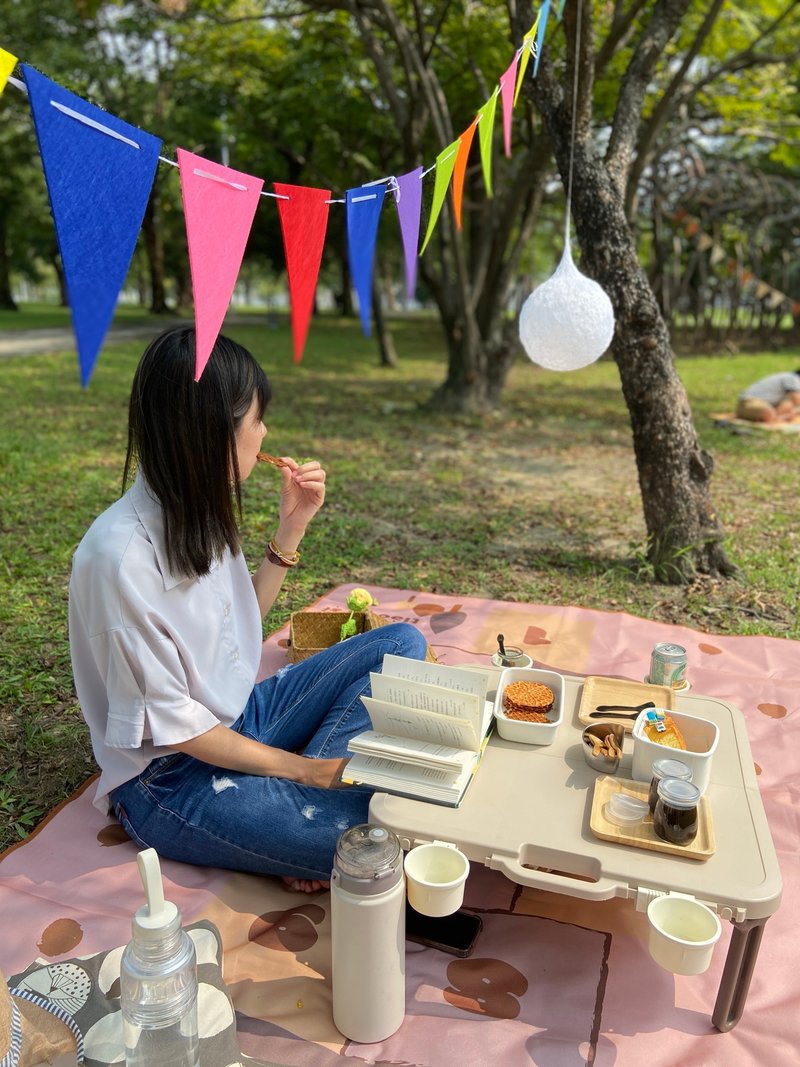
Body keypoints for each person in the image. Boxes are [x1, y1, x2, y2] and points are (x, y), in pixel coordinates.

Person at [68, 326, 427, 891]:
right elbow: (176, 730)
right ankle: (297, 804)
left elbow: (241, 627)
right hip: (170, 780)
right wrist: (307, 771)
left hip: (241, 719)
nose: (264, 434)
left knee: (401, 646)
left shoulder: (196, 505)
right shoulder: (118, 561)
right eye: (256, 419)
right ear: (212, 432)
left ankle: (289, 804)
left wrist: (292, 527)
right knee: (375, 839)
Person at [736, 369, 800, 423]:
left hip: (767, 404)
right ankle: (775, 419)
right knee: (769, 413)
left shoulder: (791, 378)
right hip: (748, 402)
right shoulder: (792, 378)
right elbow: (797, 400)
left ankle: (777, 418)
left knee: (788, 405)